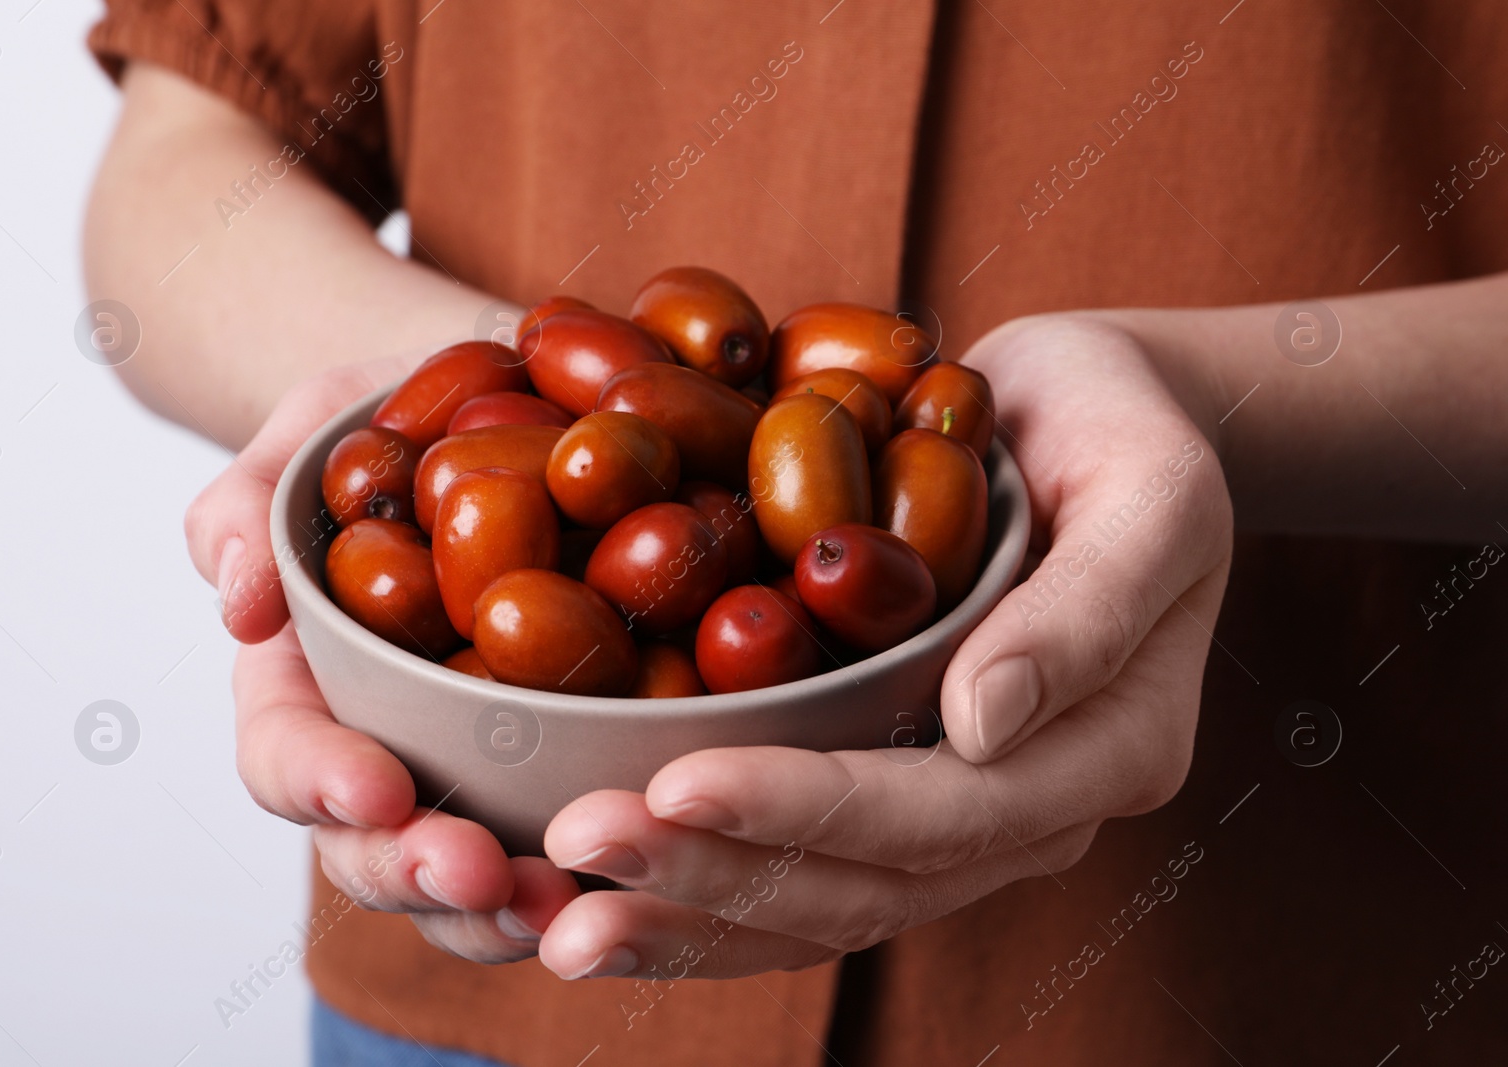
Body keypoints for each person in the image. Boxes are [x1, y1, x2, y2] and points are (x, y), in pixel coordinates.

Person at [84, 2, 1508, 1063]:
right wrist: (445, 403)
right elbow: (190, 151)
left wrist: (1210, 410)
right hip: (495, 992)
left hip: (1296, 988)